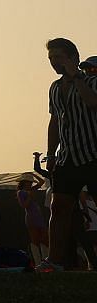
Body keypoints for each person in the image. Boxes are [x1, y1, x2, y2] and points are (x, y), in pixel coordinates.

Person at [43, 37, 97, 270]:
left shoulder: (92, 82)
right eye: (51, 58)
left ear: (73, 58)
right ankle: (54, 260)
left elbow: (93, 103)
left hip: (93, 154)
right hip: (68, 156)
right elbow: (55, 121)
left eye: (59, 57)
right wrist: (51, 154)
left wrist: (76, 76)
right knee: (59, 206)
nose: (55, 62)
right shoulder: (54, 88)